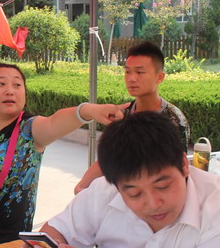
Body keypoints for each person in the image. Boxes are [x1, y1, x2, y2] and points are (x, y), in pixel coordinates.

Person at [21, 112, 220, 248]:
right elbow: (56, 232)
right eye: (134, 193)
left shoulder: (219, 208)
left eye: (163, 186)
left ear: (184, 165)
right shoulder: (103, 192)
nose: (153, 203)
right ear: (116, 186)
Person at [0, 63, 127, 248]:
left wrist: (88, 111)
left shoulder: (30, 129)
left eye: (17, 85)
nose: (10, 91)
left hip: (6, 241)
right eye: (1, 84)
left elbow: (54, 123)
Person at [74, 41, 190, 194]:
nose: (131, 78)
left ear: (159, 77)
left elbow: (176, 174)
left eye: (140, 72)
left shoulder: (173, 120)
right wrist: (83, 185)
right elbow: (110, 157)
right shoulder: (123, 114)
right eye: (128, 72)